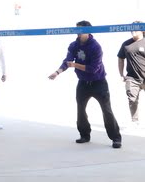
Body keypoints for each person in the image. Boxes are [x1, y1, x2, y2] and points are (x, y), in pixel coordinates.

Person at [49, 20, 122, 148]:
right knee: (81, 110)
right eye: (76, 29)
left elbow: (93, 68)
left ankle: (116, 138)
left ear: (88, 31)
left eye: (81, 30)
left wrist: (75, 65)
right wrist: (57, 72)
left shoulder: (96, 47)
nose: (78, 32)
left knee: (107, 110)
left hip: (99, 83)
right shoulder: (73, 45)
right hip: (83, 83)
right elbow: (67, 61)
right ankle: (84, 135)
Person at [117, 21, 145, 129]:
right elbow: (120, 58)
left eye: (136, 28)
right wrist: (121, 74)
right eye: (132, 28)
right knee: (132, 99)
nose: (133, 31)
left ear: (142, 30)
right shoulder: (126, 44)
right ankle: (135, 121)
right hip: (132, 78)